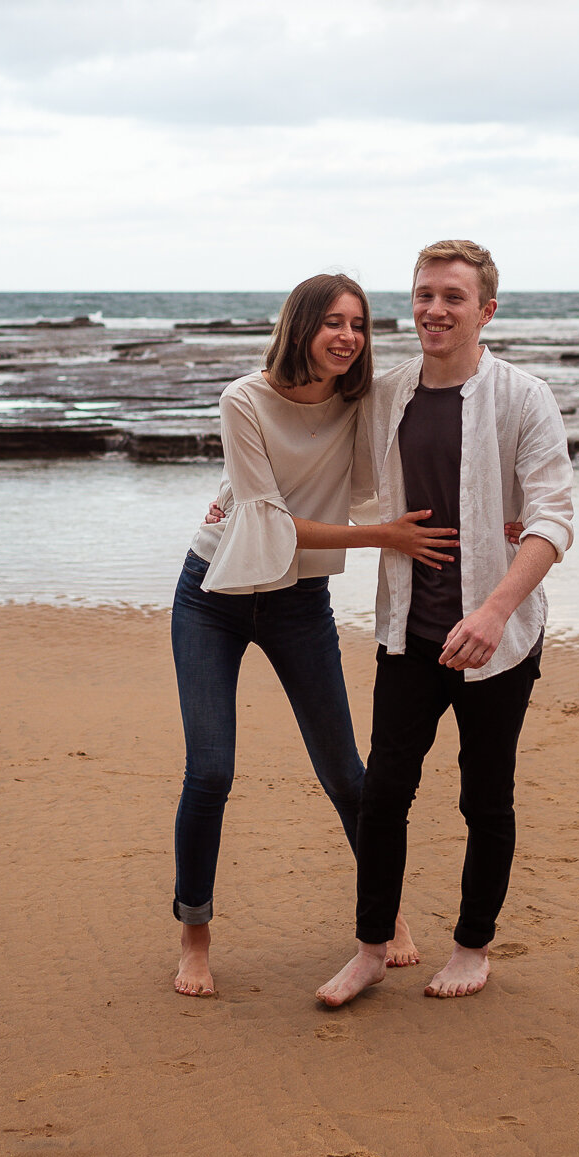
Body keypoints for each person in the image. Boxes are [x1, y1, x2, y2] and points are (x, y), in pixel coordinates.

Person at [170, 272, 460, 998]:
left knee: (346, 775)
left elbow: (435, 429)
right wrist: (383, 536)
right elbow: (266, 521)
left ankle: (385, 915)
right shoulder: (244, 399)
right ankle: (194, 938)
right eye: (333, 321)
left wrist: (505, 512)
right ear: (299, 325)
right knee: (210, 772)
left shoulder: (359, 401)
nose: (347, 337)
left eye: (358, 325)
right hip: (215, 595)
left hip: (299, 602)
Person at [316, 238, 575, 1007]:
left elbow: (553, 518)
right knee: (382, 795)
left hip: (498, 640)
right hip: (408, 631)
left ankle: (471, 947)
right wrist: (235, 496)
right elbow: (311, 447)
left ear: (484, 310)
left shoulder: (523, 398)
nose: (434, 309)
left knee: (484, 800)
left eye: (452, 297)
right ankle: (371, 949)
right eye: (424, 294)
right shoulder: (385, 393)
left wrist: (494, 610)